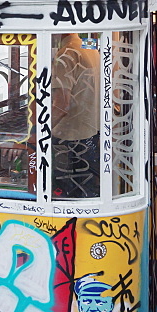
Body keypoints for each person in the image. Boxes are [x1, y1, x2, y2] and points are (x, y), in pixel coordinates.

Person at [52, 33, 101, 198]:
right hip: (91, 133)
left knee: (65, 197)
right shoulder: (91, 46)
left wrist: (37, 132)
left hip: (68, 140)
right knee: (86, 193)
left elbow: (61, 106)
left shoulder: (66, 53)